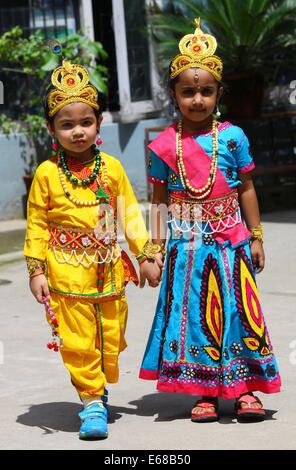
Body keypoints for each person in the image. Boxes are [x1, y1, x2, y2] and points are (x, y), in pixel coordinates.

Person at [139, 18, 281, 422]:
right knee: (195, 318)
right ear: (174, 95)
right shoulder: (164, 146)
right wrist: (155, 249)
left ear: (219, 93)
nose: (197, 99)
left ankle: (244, 389)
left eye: (206, 91)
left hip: (229, 244)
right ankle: (202, 390)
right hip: (188, 247)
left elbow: (247, 188)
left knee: (238, 313)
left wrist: (256, 236)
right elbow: (158, 202)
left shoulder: (233, 137)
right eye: (188, 92)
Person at [24, 59, 162, 439]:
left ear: (99, 123)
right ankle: (91, 402)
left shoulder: (113, 168)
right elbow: (37, 222)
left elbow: (131, 215)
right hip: (65, 270)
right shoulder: (47, 174)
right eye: (66, 125)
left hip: (108, 268)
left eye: (85, 122)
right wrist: (36, 270)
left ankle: (98, 387)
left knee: (110, 336)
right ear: (51, 129)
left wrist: (147, 255)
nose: (78, 131)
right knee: (78, 340)